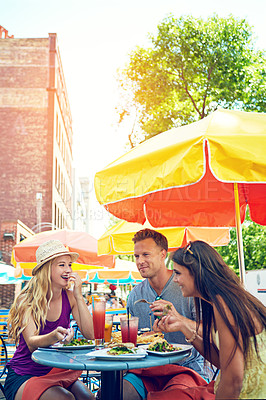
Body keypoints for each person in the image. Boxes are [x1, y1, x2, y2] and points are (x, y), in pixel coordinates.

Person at [151, 240, 266, 399]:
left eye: (177, 273)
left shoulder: (224, 304)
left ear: (196, 272)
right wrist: (184, 327)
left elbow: (234, 380)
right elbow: (223, 363)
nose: (175, 280)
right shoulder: (222, 300)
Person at [123, 229, 209, 400]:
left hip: (188, 368)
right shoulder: (134, 296)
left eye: (146, 254)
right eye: (137, 256)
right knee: (114, 392)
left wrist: (180, 321)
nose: (140, 261)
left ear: (163, 254)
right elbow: (132, 342)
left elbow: (209, 331)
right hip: (147, 371)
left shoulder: (188, 286)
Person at [4, 240, 95, 400]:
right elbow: (32, 343)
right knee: (65, 398)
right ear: (46, 269)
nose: (68, 270)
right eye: (62, 265)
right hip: (25, 375)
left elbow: (91, 334)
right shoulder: (27, 300)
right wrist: (54, 336)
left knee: (87, 397)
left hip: (57, 370)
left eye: (70, 265)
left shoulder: (70, 297)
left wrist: (79, 295)